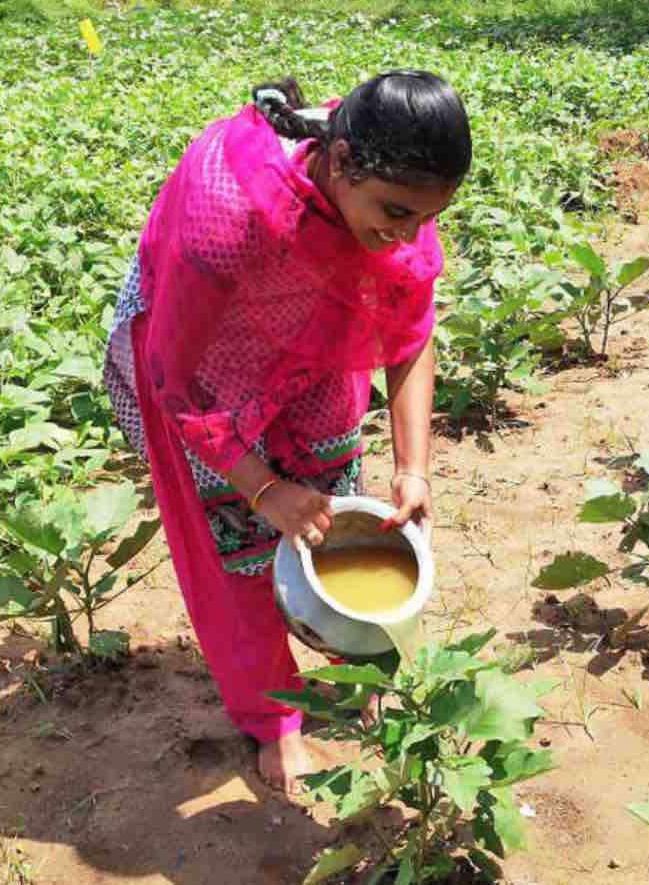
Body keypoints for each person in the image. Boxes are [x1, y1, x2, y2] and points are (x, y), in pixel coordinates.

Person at [103, 71, 470, 792]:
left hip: (316, 341)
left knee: (333, 516)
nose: (405, 234)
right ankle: (274, 721)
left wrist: (415, 468)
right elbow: (180, 380)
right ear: (339, 166)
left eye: (423, 219)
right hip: (204, 364)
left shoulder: (395, 198)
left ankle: (353, 661)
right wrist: (264, 488)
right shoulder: (229, 217)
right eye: (394, 213)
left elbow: (410, 334)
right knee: (236, 547)